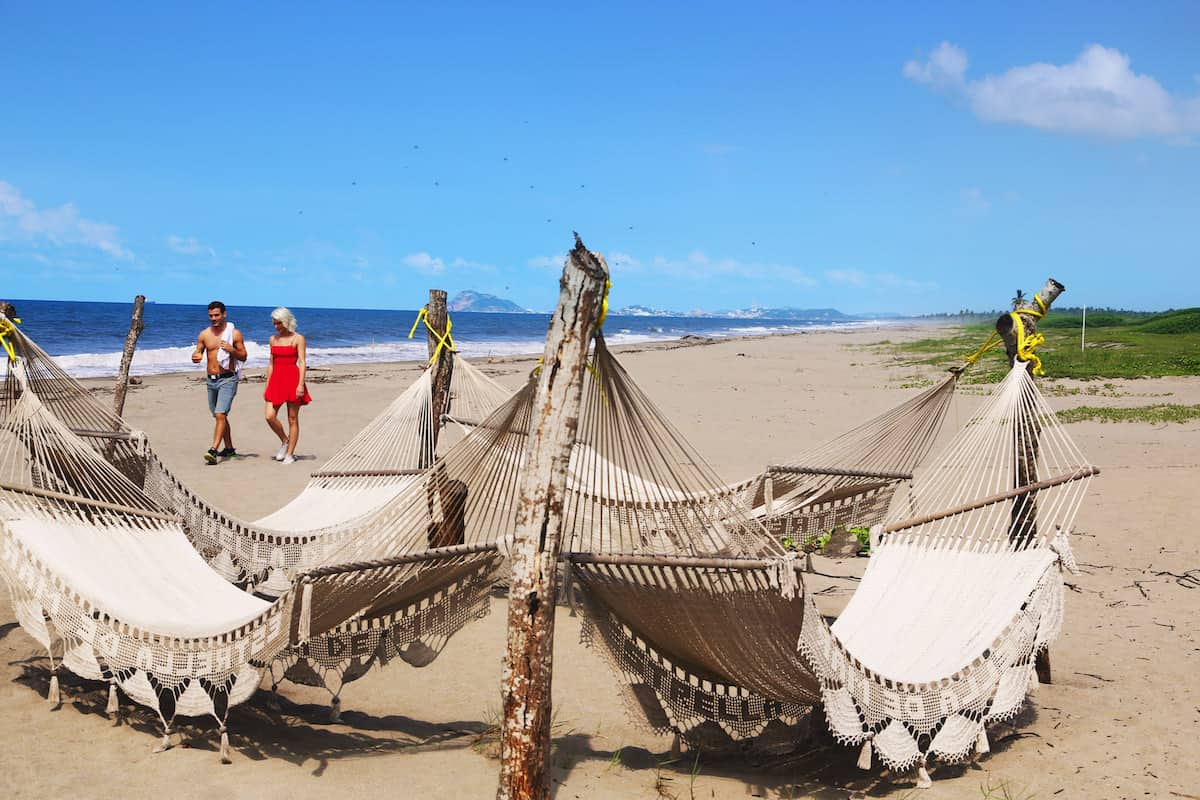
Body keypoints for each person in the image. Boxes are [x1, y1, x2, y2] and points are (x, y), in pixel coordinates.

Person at [192, 301, 247, 464]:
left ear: (224, 314)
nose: (213, 318)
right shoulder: (204, 334)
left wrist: (232, 350)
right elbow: (198, 352)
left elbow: (243, 356)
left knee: (220, 414)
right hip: (211, 380)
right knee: (219, 416)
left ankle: (213, 450)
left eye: (216, 315)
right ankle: (229, 449)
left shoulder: (234, 334)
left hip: (228, 379)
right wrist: (195, 357)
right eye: (211, 316)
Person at [263, 307, 311, 465]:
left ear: (286, 321)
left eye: (278, 323)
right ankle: (285, 440)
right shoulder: (272, 339)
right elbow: (271, 363)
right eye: (274, 323)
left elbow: (302, 362)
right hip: (276, 380)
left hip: (292, 379)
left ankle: (290, 454)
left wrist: (300, 385)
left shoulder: (298, 338)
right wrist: (267, 384)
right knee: (269, 416)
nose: (276, 326)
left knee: (292, 419)